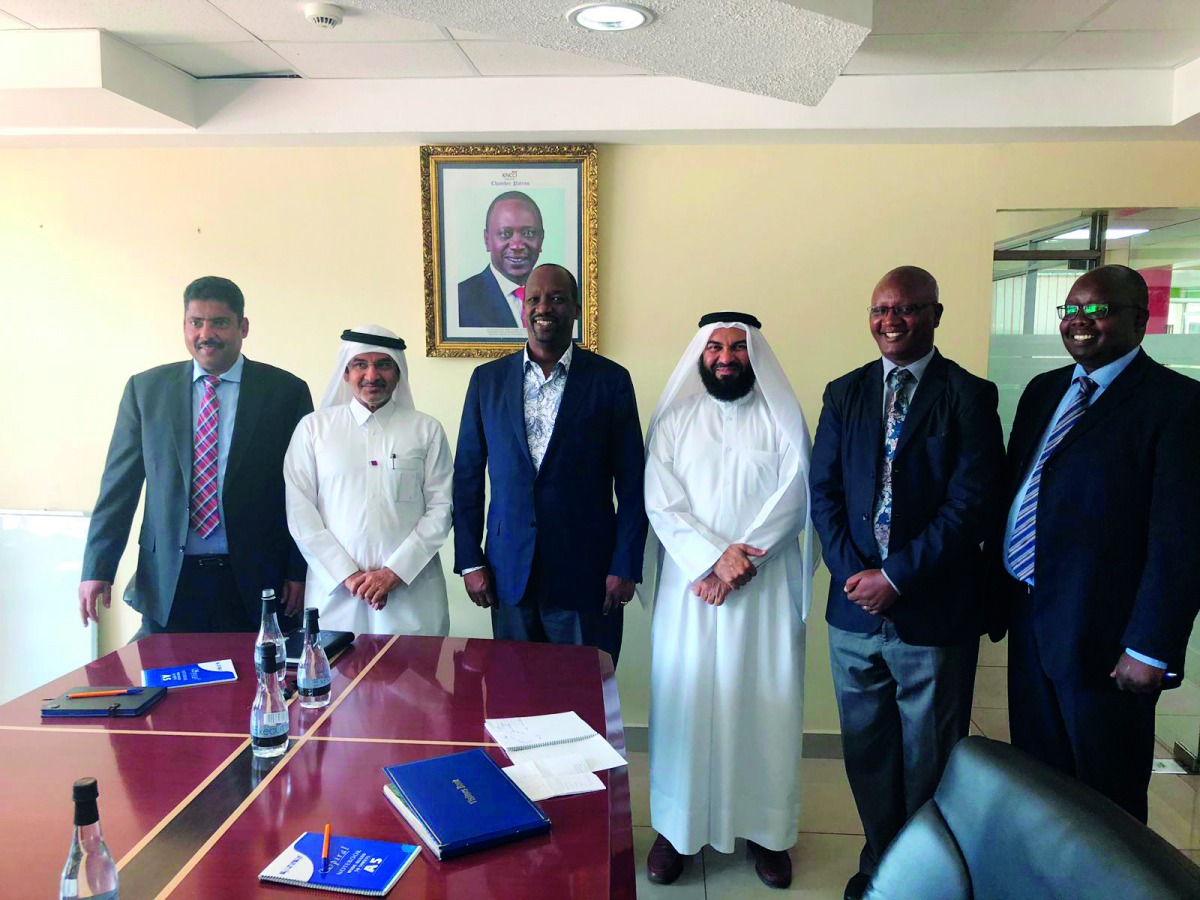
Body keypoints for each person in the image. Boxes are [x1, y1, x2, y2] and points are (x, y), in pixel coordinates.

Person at [809, 266, 1003, 900]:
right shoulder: (844, 393)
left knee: (930, 756)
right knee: (867, 751)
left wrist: (896, 575)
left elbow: (971, 503)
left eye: (908, 309)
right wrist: (852, 574)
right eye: (880, 309)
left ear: (936, 315)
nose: (891, 320)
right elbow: (825, 494)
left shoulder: (970, 396)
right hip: (854, 613)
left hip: (931, 611)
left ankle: (927, 876)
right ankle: (880, 863)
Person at [992, 264, 1200, 823]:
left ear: (1141, 318)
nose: (1080, 322)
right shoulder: (1043, 391)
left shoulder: (1178, 405)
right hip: (1032, 613)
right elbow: (1023, 489)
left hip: (1109, 639)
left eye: (1098, 310)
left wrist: (1151, 647)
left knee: (1107, 791)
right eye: (1072, 310)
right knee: (1040, 773)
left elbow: (1182, 539)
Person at [643, 313, 816, 890]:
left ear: (755, 355)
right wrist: (712, 560)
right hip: (692, 589)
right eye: (715, 346)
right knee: (685, 705)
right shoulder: (675, 421)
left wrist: (743, 562)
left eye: (738, 347)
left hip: (762, 591)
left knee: (764, 705)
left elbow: (796, 496)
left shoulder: (783, 418)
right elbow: (661, 502)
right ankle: (676, 829)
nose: (725, 357)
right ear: (700, 354)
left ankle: (767, 833)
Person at [79, 276, 313, 638]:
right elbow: (118, 488)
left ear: (243, 327)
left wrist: (298, 571)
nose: (207, 333)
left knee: (259, 689)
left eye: (219, 322)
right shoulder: (146, 391)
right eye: (196, 322)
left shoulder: (285, 393)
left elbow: (303, 492)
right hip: (170, 580)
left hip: (257, 579)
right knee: (161, 688)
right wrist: (98, 567)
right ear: (184, 326)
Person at [453, 263, 647, 664]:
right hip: (507, 572)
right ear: (523, 306)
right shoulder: (486, 381)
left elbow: (633, 483)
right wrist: (469, 558)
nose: (545, 307)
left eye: (557, 299)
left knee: (585, 697)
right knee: (515, 698)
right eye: (536, 298)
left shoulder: (610, 381)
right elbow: (468, 477)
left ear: (576, 309)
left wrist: (625, 563)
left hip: (589, 573)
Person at [283, 326, 453, 636]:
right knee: (337, 681)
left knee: (416, 682)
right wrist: (347, 575)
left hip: (411, 595)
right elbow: (300, 512)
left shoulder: (426, 430)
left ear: (398, 373)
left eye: (383, 365)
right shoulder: (313, 430)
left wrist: (393, 573)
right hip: (335, 595)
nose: (372, 375)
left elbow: (442, 508)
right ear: (345, 373)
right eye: (361, 364)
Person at [457, 191, 544, 328]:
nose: (517, 245)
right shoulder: (459, 301)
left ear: (541, 240)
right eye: (505, 233)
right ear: (487, 240)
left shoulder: (560, 297)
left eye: (529, 233)